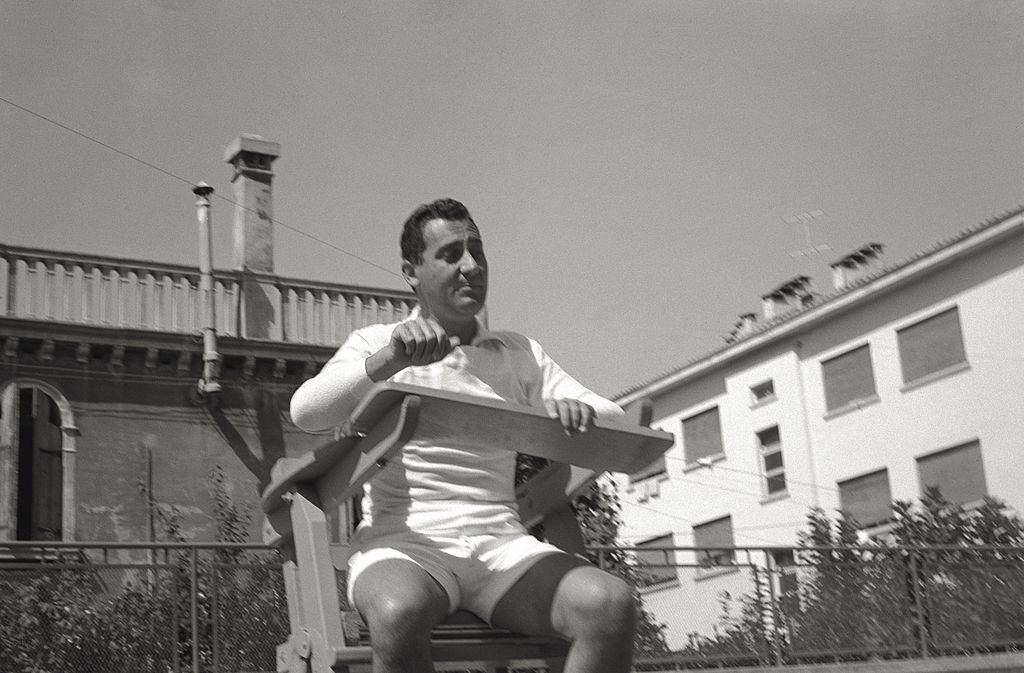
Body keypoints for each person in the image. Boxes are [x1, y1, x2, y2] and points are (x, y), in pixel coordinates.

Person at [290, 198, 637, 673]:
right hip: (405, 545)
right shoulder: (378, 342)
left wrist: (581, 409)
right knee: (397, 613)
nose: (471, 266)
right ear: (412, 271)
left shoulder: (518, 353)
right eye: (451, 254)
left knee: (609, 604)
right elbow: (305, 412)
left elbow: (613, 416)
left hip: (503, 548)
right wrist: (389, 361)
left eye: (478, 251)